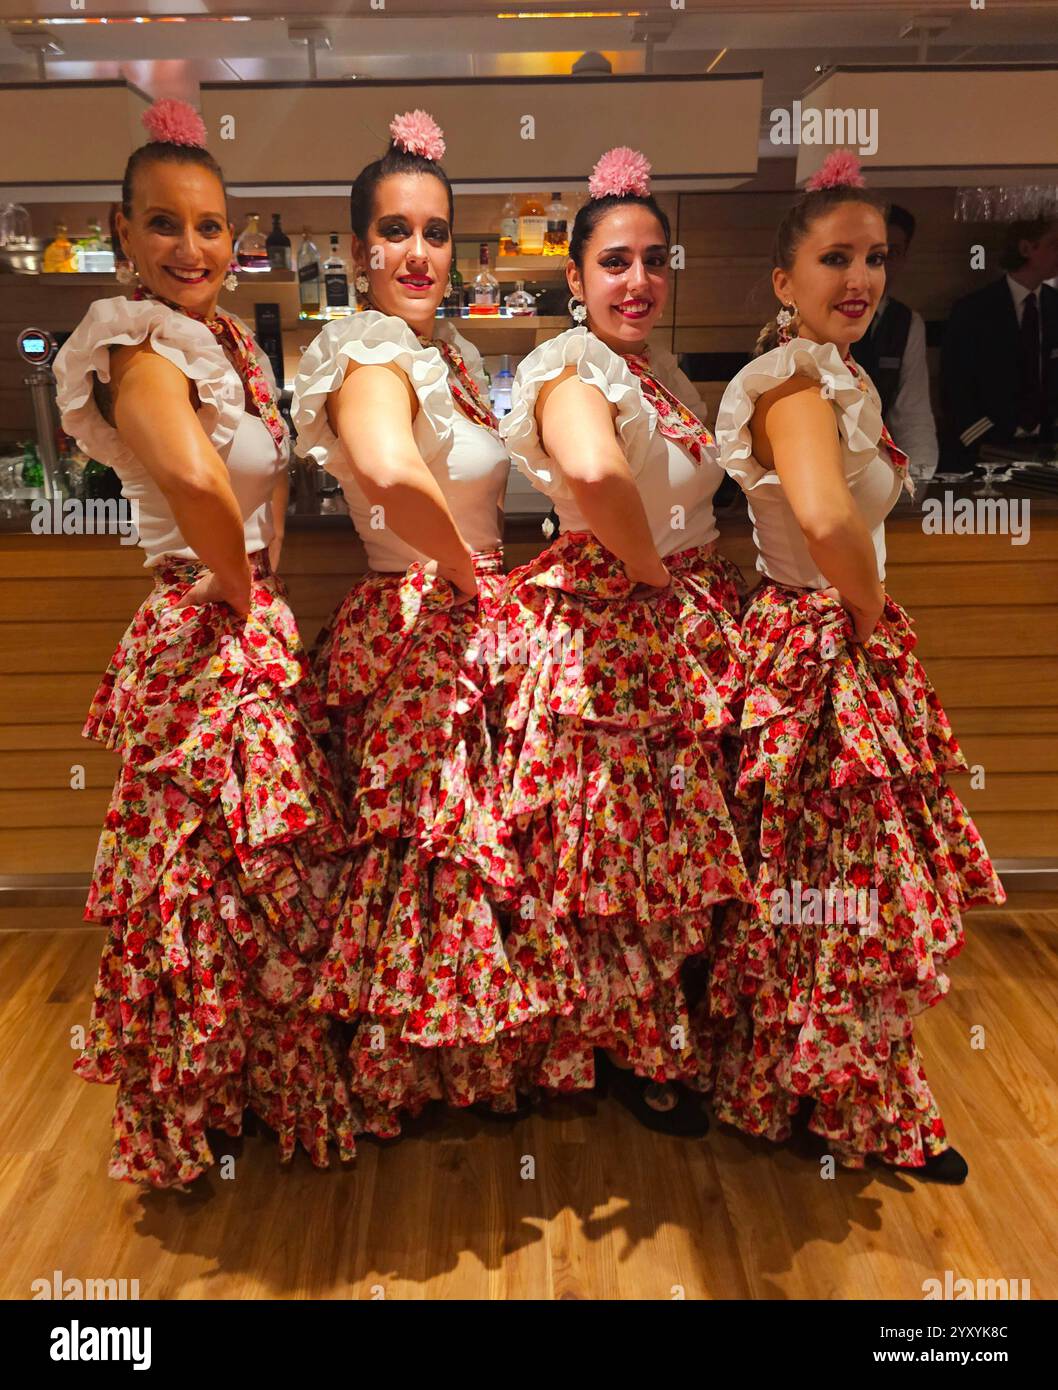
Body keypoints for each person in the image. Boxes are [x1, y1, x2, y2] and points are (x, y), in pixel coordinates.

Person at [53, 99, 355, 1187]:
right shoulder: (131, 341)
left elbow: (237, 476)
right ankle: (195, 1110)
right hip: (203, 626)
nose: (192, 247)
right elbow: (187, 479)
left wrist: (255, 593)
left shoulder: (218, 338)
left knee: (256, 878)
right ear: (122, 233)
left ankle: (248, 1088)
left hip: (235, 619)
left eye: (211, 225)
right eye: (166, 224)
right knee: (196, 886)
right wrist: (242, 594)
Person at [704, 151, 1005, 1182]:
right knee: (845, 893)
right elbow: (827, 519)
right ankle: (857, 1105)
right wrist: (872, 620)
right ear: (783, 282)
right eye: (834, 257)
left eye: (872, 257)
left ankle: (799, 1088)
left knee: (822, 892)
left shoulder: (835, 373)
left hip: (824, 648)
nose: (860, 277)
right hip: (821, 657)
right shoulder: (789, 380)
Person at [291, 111, 575, 1139]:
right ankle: (413, 1072)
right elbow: (388, 474)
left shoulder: (442, 351)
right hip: (422, 624)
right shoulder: (364, 351)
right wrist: (469, 577)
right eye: (396, 231)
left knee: (482, 849)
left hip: (477, 618)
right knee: (430, 856)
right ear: (359, 246)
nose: (418, 252)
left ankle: (482, 1054)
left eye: (436, 231)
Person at [496, 146, 751, 1136]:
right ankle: (622, 1050)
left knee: (658, 852)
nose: (636, 278)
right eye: (613, 261)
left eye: (652, 258)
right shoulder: (570, 366)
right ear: (573, 278)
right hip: (611, 639)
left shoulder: (656, 369)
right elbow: (598, 483)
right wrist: (653, 575)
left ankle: (642, 1038)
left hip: (658, 631)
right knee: (614, 860)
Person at [940, 215, 1058, 471]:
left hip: (1048, 453)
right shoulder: (973, 310)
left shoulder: (1055, 306)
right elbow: (955, 388)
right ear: (1026, 249)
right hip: (982, 454)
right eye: (1054, 244)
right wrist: (983, 442)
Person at [850, 203, 938, 480]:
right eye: (873, 255)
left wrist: (919, 485)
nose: (881, 266)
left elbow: (913, 417)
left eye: (892, 254)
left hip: (876, 472)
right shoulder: (817, 318)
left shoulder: (906, 322)